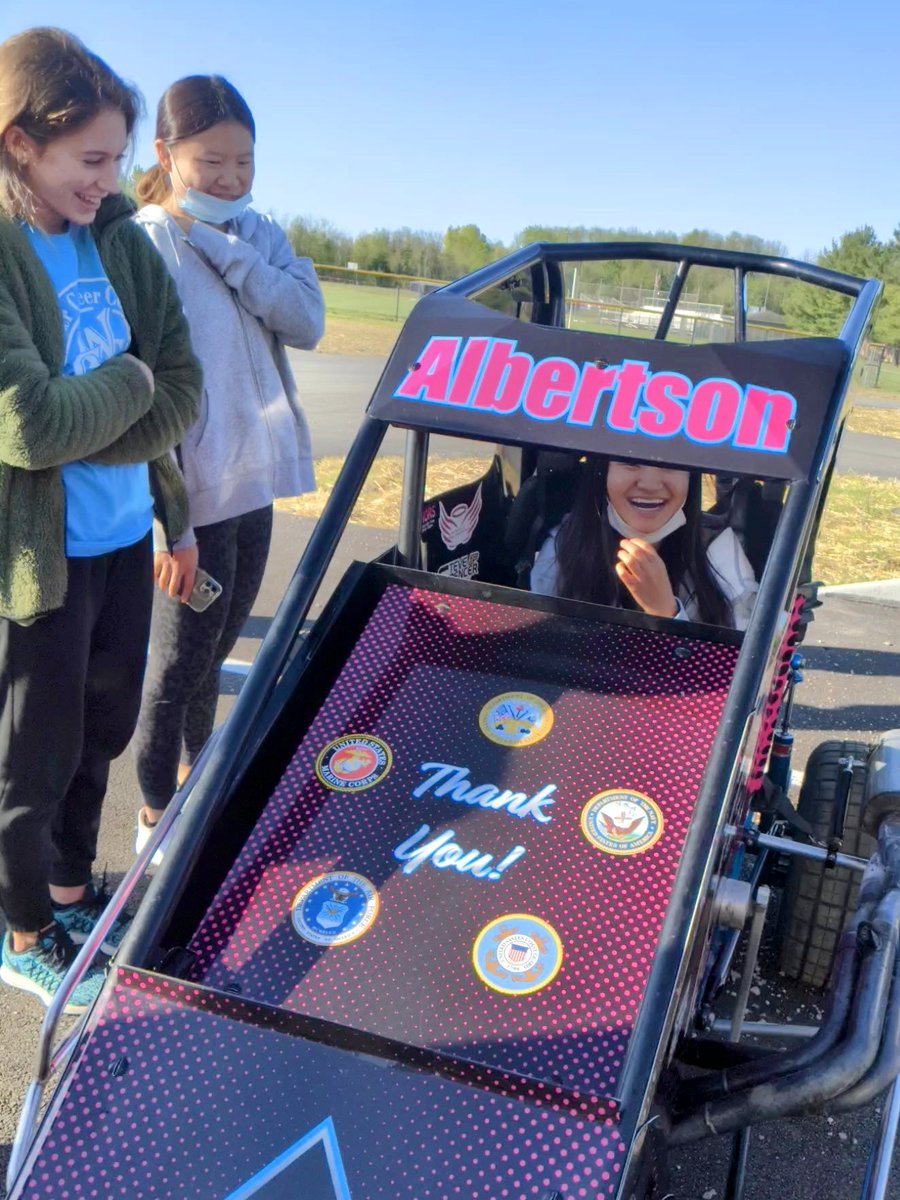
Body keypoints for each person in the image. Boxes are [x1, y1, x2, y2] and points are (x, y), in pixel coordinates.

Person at [0, 28, 201, 1012]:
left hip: (124, 538)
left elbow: (183, 389)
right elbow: (29, 425)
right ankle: (22, 929)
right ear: (19, 142)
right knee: (32, 757)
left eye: (117, 157)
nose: (108, 179)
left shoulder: (116, 237)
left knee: (103, 733)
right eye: (89, 158)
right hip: (42, 560)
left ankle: (72, 894)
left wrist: (114, 417)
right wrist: (130, 383)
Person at [131, 76, 325, 856]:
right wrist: (167, 525)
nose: (229, 178)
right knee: (176, 664)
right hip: (192, 500)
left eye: (244, 162)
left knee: (216, 651)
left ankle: (195, 780)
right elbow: (145, 395)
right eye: (211, 161)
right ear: (165, 154)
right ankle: (153, 819)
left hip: (254, 485)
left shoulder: (258, 232)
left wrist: (227, 248)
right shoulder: (146, 242)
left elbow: (306, 320)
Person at [530, 458, 758, 629]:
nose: (650, 484)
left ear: (691, 475)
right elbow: (541, 646)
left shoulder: (718, 550)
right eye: (630, 462)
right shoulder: (566, 544)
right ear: (602, 471)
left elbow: (745, 667)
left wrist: (667, 614)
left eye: (670, 463)